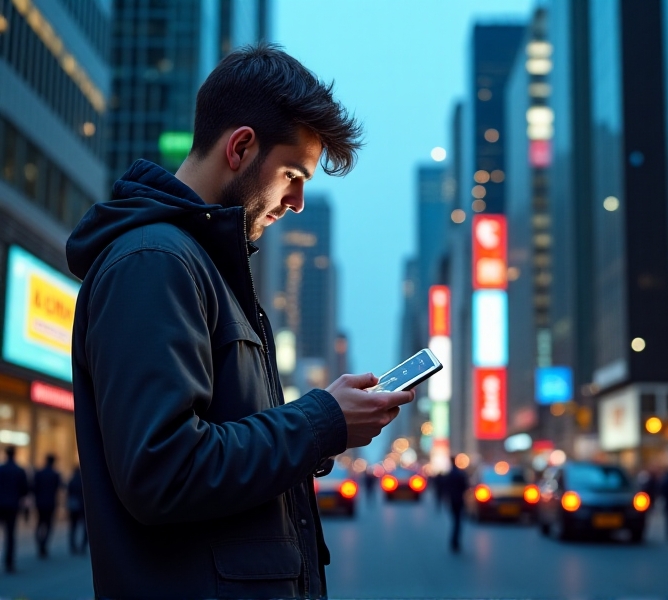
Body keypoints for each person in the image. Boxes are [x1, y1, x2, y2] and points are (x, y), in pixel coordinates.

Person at [65, 43, 413, 599]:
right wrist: (322, 421)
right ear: (241, 147)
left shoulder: (202, 269)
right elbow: (164, 471)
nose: (297, 201)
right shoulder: (154, 263)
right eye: (293, 174)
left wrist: (323, 425)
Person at [0, 447, 29, 572]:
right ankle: (9, 562)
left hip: (1, 504)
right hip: (13, 505)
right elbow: (25, 490)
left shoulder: (1, 469)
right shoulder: (19, 470)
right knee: (10, 535)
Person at [32, 454, 62, 558]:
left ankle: (40, 542)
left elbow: (34, 488)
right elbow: (59, 488)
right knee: (48, 525)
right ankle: (43, 543)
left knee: (40, 523)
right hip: (50, 502)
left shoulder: (39, 473)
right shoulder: (55, 474)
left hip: (40, 502)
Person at [442, 456, 470, 553]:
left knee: (455, 521)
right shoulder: (460, 474)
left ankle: (454, 542)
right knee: (458, 522)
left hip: (452, 500)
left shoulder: (449, 475)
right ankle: (455, 542)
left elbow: (445, 488)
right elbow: (466, 487)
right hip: (459, 500)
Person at [66, 467, 87, 555]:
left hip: (74, 506)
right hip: (83, 506)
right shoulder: (84, 481)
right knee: (85, 527)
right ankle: (83, 546)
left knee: (73, 527)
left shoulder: (72, 481)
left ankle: (73, 545)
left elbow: (69, 493)